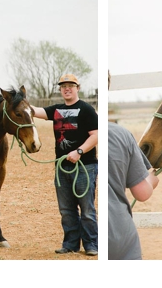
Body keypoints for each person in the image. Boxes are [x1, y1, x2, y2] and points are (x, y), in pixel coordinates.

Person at [32, 73, 98, 256]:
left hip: (85, 166)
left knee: (87, 209)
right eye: (63, 86)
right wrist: (18, 100)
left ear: (77, 88)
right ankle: (70, 243)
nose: (67, 89)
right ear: (60, 89)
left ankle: (92, 243)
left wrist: (79, 152)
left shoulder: (86, 109)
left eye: (70, 85)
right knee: (66, 209)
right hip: (62, 168)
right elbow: (35, 111)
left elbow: (96, 135)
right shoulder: (56, 110)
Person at [108, 71, 159, 260]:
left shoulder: (66, 137)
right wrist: (151, 179)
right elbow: (142, 193)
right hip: (117, 232)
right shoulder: (121, 135)